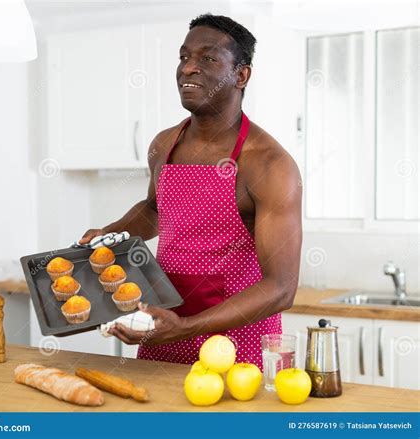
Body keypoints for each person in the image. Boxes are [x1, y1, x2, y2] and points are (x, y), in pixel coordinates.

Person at [80, 14, 302, 369]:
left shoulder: (269, 164)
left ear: (241, 75)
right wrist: (111, 234)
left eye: (208, 58)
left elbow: (281, 288)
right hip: (160, 328)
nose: (188, 69)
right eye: (184, 57)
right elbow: (155, 209)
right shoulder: (164, 144)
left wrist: (185, 328)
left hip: (233, 347)